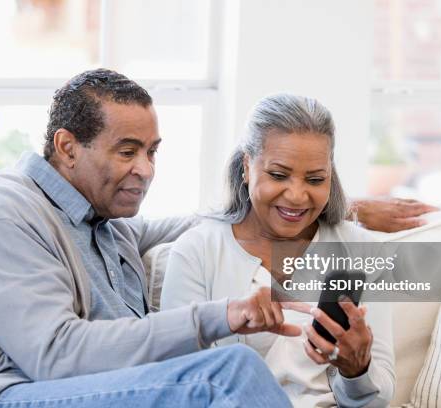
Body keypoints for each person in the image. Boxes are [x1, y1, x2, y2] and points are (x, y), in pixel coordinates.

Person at [0, 69, 312, 408]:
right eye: (127, 152)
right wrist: (221, 316)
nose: (145, 170)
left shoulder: (105, 222)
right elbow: (56, 354)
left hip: (72, 389)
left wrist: (327, 208)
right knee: (224, 376)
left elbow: (203, 223)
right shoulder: (1, 213)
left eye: (152, 152)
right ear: (67, 147)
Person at [161, 94, 395, 407]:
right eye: (278, 175)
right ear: (247, 166)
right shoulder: (197, 251)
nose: (297, 196)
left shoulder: (362, 251)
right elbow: (177, 385)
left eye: (315, 179)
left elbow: (378, 400)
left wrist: (356, 369)